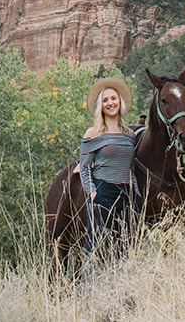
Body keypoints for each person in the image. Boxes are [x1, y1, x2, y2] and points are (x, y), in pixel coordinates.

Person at [78, 76, 137, 262]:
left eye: (113, 98)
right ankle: (92, 288)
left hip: (126, 194)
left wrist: (135, 192)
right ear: (100, 106)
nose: (110, 103)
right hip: (103, 191)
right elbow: (84, 167)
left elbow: (131, 167)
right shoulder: (93, 133)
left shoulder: (130, 134)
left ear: (120, 101)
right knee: (96, 245)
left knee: (124, 247)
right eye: (105, 100)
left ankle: (119, 288)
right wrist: (92, 192)